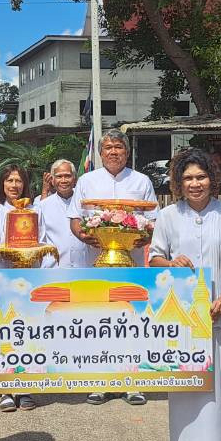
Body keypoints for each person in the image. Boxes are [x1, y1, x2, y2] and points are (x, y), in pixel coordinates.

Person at [149, 149, 221, 441]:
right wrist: (170, 262)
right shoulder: (168, 216)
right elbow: (153, 257)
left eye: (201, 177)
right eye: (188, 178)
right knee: (188, 382)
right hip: (184, 316)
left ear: (212, 179)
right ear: (179, 181)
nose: (195, 183)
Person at [69, 129, 159, 406]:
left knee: (131, 321)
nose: (113, 152)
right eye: (107, 147)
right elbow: (75, 218)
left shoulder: (141, 181)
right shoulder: (86, 181)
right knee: (98, 322)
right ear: (100, 152)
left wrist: (140, 236)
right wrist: (86, 235)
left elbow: (152, 220)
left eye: (118, 147)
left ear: (127, 151)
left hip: (129, 263)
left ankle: (133, 383)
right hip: (96, 262)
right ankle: (100, 382)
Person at [0, 163, 37, 412]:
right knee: (3, 333)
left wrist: (29, 258)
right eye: (9, 181)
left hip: (27, 281)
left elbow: (42, 243)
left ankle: (25, 388)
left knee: (25, 334)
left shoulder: (34, 213)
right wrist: (10, 251)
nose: (14, 186)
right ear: (2, 185)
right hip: (2, 279)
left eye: (18, 181)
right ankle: (5, 388)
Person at [35, 159, 90, 269]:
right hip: (53, 270)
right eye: (59, 176)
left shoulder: (86, 202)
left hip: (84, 268)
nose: (63, 180)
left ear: (75, 179)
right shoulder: (43, 206)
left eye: (67, 176)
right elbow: (39, 242)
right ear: (53, 180)